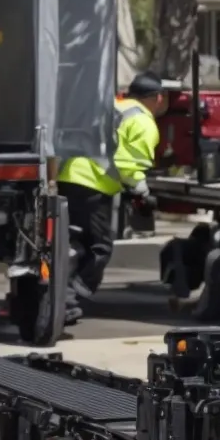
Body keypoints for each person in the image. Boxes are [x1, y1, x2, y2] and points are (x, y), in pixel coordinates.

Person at [55, 72, 169, 324]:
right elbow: (130, 164)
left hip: (68, 176)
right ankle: (68, 301)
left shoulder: (112, 107)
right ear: (157, 98)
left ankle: (56, 298)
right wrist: (142, 192)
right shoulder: (143, 121)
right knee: (100, 248)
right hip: (93, 184)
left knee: (73, 244)